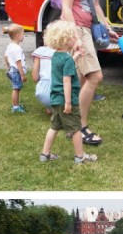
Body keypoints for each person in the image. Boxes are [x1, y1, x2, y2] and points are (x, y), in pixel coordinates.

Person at [59, 0, 119, 146]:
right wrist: (74, 36)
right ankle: (80, 127)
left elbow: (95, 4)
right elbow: (66, 7)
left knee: (83, 80)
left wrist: (106, 27)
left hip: (88, 29)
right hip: (77, 31)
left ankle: (70, 125)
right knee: (96, 76)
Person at [39, 19, 97, 164]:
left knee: (54, 127)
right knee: (76, 128)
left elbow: (66, 63)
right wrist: (69, 102)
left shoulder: (56, 57)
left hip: (55, 100)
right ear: (65, 40)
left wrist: (76, 56)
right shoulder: (67, 61)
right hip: (65, 101)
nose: (75, 39)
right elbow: (66, 81)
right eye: (72, 36)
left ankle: (44, 154)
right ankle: (80, 156)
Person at [4, 23, 27, 113]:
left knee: (16, 88)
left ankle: (15, 104)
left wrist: (8, 66)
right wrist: (22, 75)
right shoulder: (17, 48)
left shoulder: (10, 46)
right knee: (16, 89)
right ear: (18, 36)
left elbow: (5, 57)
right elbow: (18, 62)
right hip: (17, 71)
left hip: (12, 70)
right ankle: (15, 107)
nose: (24, 36)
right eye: (23, 34)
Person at [31, 44, 55, 111]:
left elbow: (35, 77)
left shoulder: (40, 51)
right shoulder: (64, 54)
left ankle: (49, 107)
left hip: (42, 91)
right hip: (58, 91)